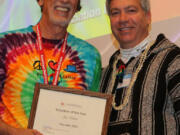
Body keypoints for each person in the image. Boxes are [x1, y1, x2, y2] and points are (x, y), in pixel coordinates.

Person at [0, 0, 101, 134]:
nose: (65, 1)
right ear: (41, 1)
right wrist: (13, 132)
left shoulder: (90, 56)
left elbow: (92, 121)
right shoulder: (6, 45)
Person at [100, 0, 180, 134]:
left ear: (148, 16)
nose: (123, 19)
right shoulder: (105, 74)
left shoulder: (172, 60)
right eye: (115, 13)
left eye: (131, 10)